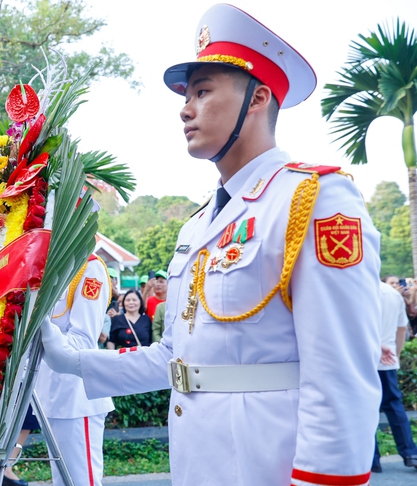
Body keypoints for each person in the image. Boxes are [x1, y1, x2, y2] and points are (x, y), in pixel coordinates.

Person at [41, 5, 381, 485]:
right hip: (200, 463)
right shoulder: (198, 225)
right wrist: (67, 359)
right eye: (186, 94)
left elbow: (341, 375)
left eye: (202, 91)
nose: (185, 107)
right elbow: (175, 360)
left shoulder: (314, 199)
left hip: (269, 466)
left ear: (258, 98)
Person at [34, 255, 114, 485]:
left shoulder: (89, 268)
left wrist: (40, 324)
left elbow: (83, 341)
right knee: (62, 481)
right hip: (48, 394)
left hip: (77, 396)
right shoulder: (47, 264)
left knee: (81, 481)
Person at [373, 280, 417, 472]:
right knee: (394, 405)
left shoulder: (360, 290)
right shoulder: (391, 294)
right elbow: (401, 329)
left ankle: (372, 459)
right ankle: (410, 453)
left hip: (362, 359)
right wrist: (396, 355)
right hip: (388, 358)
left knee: (365, 407)